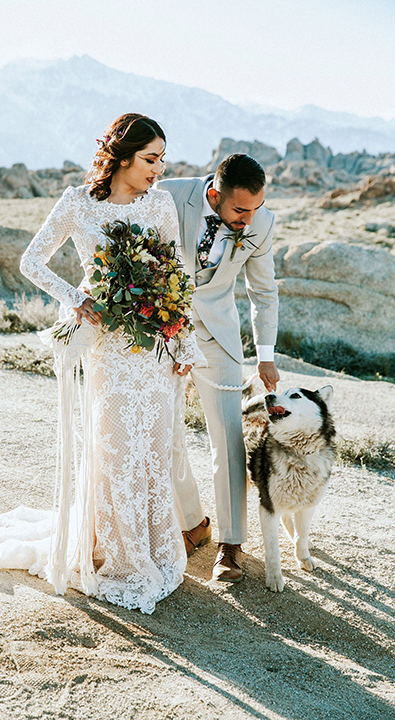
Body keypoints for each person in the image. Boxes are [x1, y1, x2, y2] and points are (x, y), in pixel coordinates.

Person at [0, 114, 203, 615]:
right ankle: (115, 554)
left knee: (152, 447)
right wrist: (78, 299)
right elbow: (32, 262)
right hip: (108, 349)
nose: (159, 170)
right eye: (151, 159)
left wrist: (183, 346)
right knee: (114, 448)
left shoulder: (159, 205)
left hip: (152, 350)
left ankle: (154, 551)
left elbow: (173, 274)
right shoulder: (77, 204)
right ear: (122, 156)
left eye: (162, 160)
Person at [156, 154, 279, 582]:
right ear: (214, 195)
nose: (250, 218)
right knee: (161, 429)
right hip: (160, 331)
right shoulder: (168, 197)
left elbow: (263, 291)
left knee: (227, 438)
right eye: (240, 210)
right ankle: (192, 523)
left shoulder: (260, 223)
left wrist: (266, 354)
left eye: (256, 208)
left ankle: (231, 545)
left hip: (218, 335)